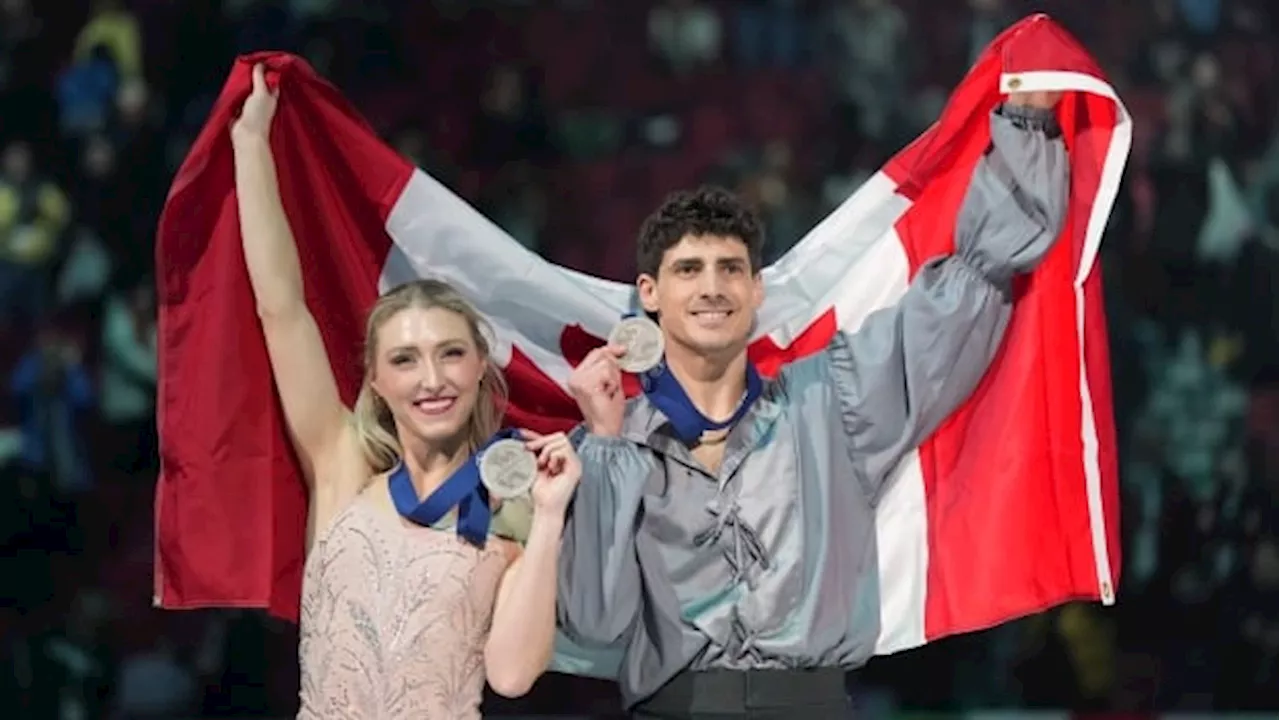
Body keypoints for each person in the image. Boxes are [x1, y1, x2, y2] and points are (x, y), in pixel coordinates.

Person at [559, 92, 1068, 718]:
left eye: (730, 268)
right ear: (650, 293)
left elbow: (962, 298)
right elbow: (594, 620)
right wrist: (607, 448)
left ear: (756, 290)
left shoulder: (831, 402)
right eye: (688, 269)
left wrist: (1026, 124)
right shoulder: (613, 441)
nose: (712, 287)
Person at [230, 64, 577, 719]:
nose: (432, 378)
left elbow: (511, 676)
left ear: (481, 367)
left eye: (451, 354)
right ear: (377, 380)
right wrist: (251, 144)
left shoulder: (512, 503)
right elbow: (281, 306)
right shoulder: (340, 464)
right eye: (406, 359)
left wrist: (552, 518)